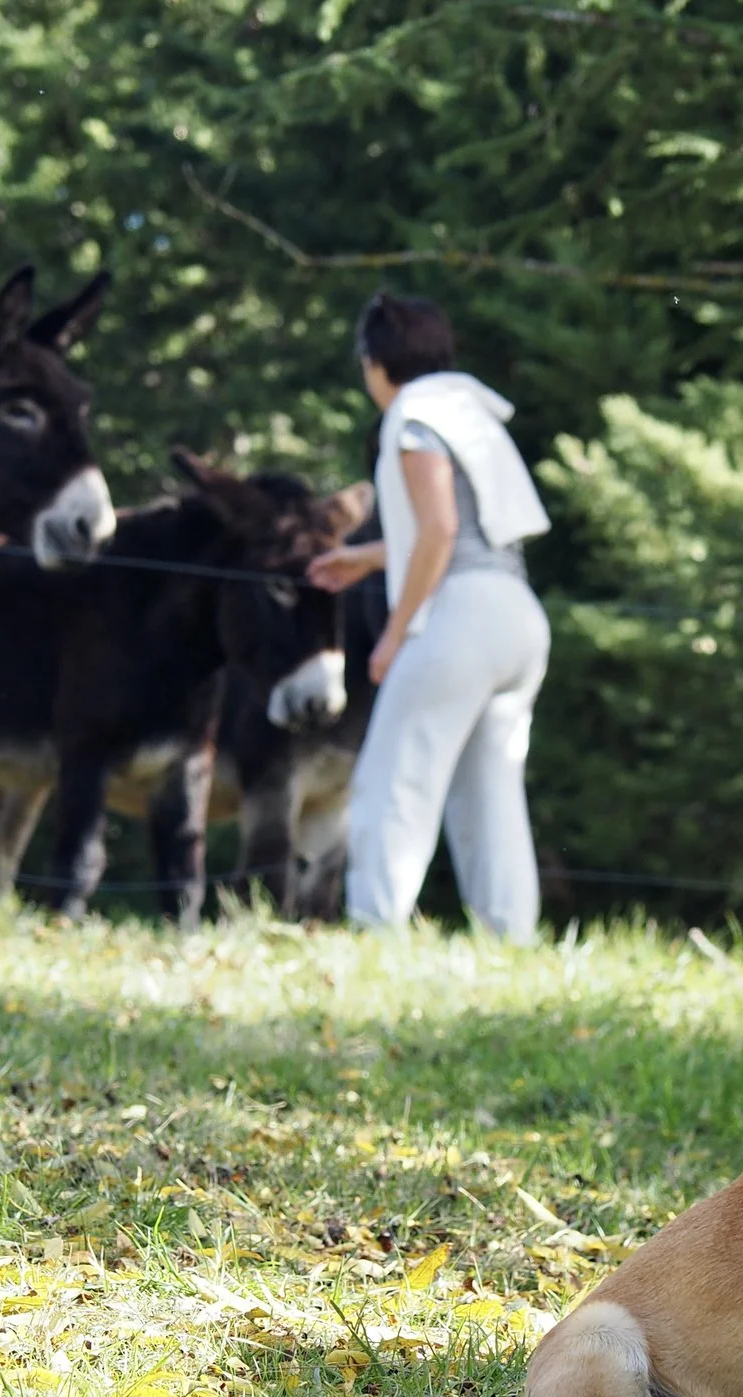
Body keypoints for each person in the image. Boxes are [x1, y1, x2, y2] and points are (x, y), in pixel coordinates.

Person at [306, 293, 552, 941]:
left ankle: (373, 926)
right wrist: (365, 559)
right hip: (518, 614)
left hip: (461, 614)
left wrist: (395, 632)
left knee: (394, 777)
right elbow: (466, 529)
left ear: (377, 362)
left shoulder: (413, 415)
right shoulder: (470, 409)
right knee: (491, 794)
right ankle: (511, 939)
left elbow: (439, 530)